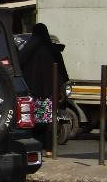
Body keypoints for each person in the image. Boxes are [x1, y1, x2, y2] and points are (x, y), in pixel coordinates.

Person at [17, 23, 69, 154]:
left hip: (31, 92)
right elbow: (62, 71)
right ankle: (49, 149)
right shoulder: (53, 50)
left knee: (31, 118)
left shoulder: (26, 51)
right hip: (49, 92)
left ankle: (33, 147)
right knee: (48, 119)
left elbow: (18, 67)